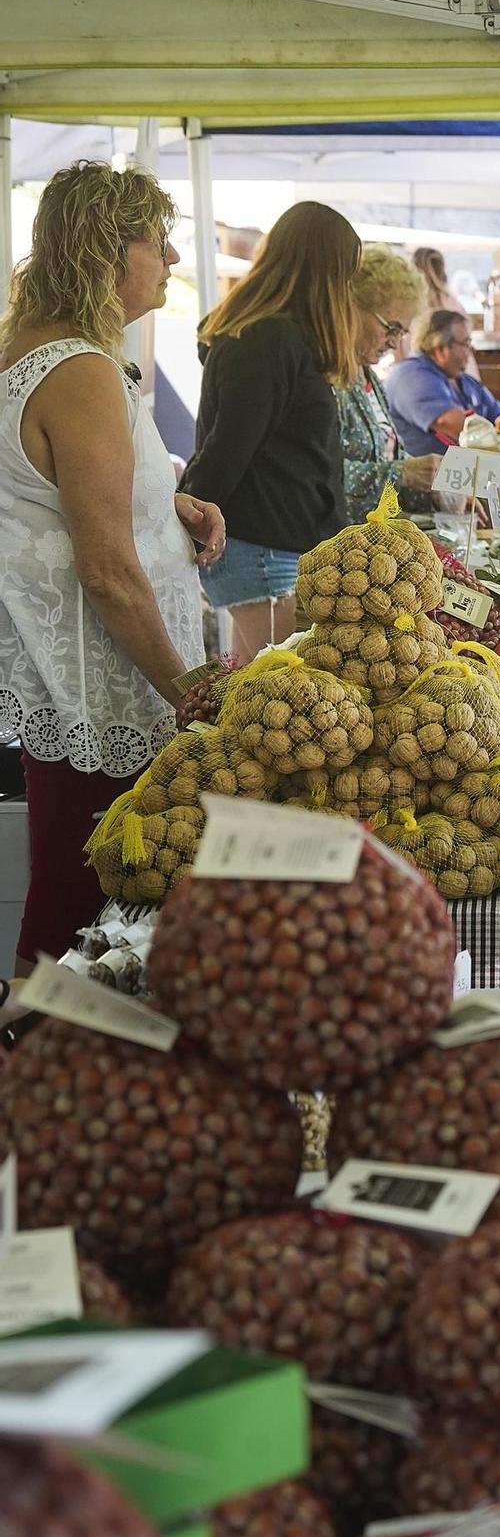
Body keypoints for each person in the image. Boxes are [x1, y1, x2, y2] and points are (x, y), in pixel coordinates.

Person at [0, 162, 224, 969]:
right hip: (106, 689)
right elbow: (105, 570)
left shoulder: (40, 348)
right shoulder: (79, 371)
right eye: (156, 242)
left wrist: (172, 505)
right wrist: (190, 692)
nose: (169, 258)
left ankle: (45, 1068)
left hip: (77, 683)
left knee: (76, 897)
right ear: (107, 249)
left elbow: (63, 499)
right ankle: (39, 1075)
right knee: (82, 912)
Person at [182, 201, 361, 661]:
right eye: (346, 275)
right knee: (278, 701)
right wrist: (185, 521)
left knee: (257, 699)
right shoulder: (266, 341)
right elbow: (227, 449)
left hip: (276, 549)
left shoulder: (278, 338)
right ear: (325, 271)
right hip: (265, 552)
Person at [340, 245, 445, 522]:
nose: (395, 342)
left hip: (376, 545)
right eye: (391, 328)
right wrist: (404, 472)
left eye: (402, 333)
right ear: (354, 309)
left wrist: (434, 493)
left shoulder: (371, 379)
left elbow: (388, 467)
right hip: (337, 551)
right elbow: (319, 476)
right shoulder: (328, 382)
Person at [384, 310, 500, 454]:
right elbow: (455, 425)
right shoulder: (411, 376)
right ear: (440, 348)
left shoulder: (463, 381)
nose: (471, 349)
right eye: (465, 343)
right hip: (431, 475)